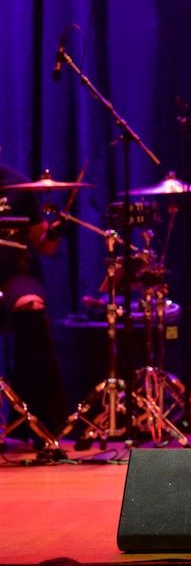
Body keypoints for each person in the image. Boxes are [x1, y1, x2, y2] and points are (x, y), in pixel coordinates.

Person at [0, 161, 68, 441]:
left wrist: (53, 233)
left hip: (11, 276)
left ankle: (42, 424)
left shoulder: (18, 185)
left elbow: (43, 246)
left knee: (32, 307)